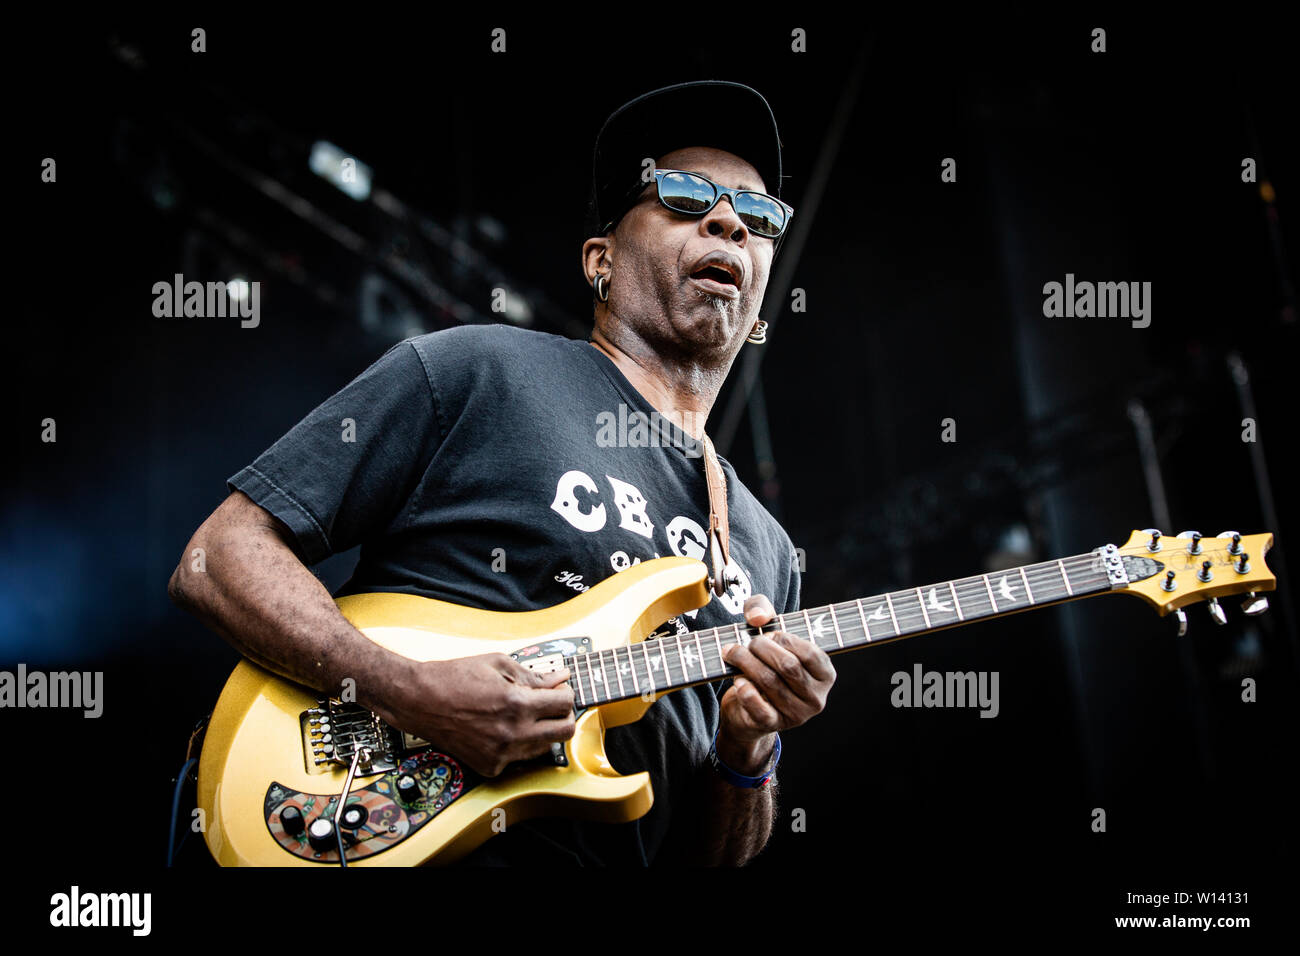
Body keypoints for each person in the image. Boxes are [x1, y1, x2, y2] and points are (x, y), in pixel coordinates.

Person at [169, 80, 836, 866]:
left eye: (758, 215)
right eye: (686, 195)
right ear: (602, 261)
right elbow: (218, 559)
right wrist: (403, 691)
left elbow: (711, 856)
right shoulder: (480, 370)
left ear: (759, 302)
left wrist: (747, 748)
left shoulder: (761, 546)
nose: (727, 219)